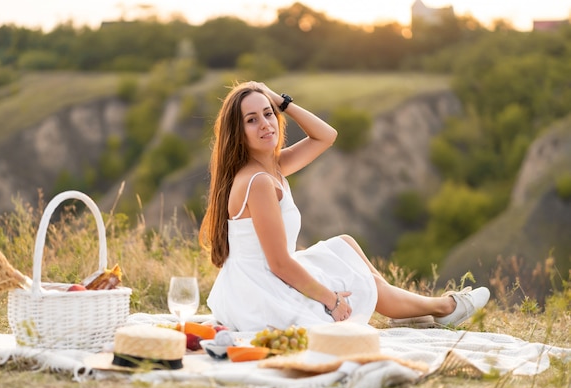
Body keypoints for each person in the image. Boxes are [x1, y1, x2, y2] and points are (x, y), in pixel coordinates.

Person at [199, 81, 490, 332]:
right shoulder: (259, 182)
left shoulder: (272, 166)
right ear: (237, 132)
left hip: (258, 278)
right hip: (262, 291)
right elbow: (279, 264)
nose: (265, 124)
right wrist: (331, 299)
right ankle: (445, 307)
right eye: (251, 120)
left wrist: (280, 101)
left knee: (344, 245)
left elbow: (326, 136)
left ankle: (413, 312)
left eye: (268, 114)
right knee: (357, 280)